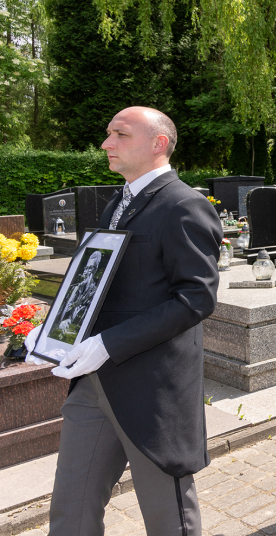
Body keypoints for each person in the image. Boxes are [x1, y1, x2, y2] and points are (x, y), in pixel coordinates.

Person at [23, 107, 221, 535]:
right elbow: (96, 281)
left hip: (151, 388)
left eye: (119, 134)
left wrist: (108, 344)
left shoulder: (184, 205)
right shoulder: (119, 199)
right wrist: (55, 329)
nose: (105, 143)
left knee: (168, 519)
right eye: (108, 133)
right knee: (70, 510)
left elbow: (196, 299)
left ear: (158, 144)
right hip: (92, 383)